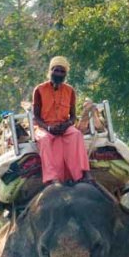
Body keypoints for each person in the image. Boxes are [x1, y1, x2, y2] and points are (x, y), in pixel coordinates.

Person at [33, 56, 91, 184]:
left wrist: (67, 125)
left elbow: (73, 116)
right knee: (44, 139)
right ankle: (52, 178)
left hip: (64, 126)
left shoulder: (70, 91)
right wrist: (48, 128)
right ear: (50, 71)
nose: (59, 74)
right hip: (44, 127)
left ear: (65, 74)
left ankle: (84, 173)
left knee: (76, 135)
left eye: (62, 71)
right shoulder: (39, 90)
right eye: (56, 70)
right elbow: (36, 116)